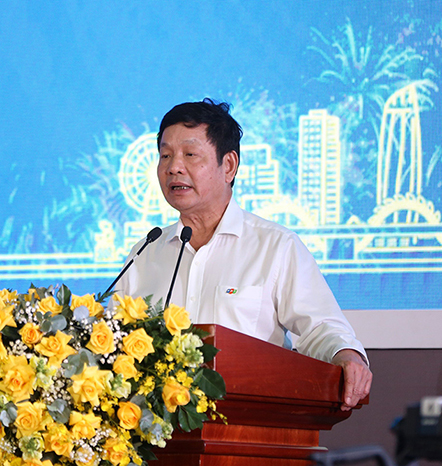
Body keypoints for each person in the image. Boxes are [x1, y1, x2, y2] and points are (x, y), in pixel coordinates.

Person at [116, 98, 372, 410]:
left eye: (190, 155)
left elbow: (321, 327)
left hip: (247, 427)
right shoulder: (146, 253)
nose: (174, 167)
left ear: (229, 165)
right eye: (165, 155)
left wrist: (346, 355)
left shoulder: (275, 246)